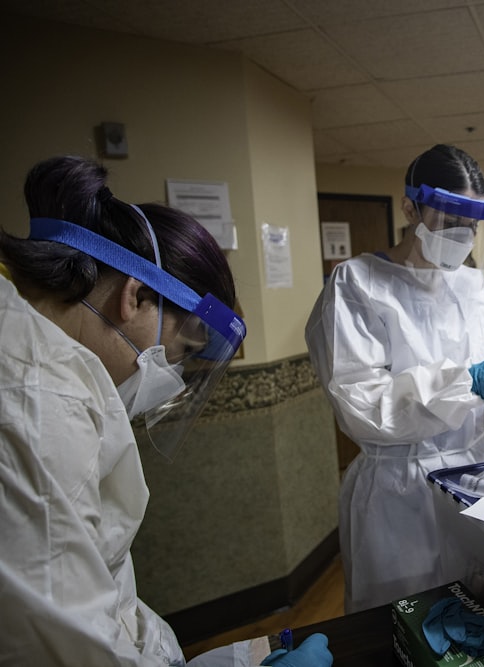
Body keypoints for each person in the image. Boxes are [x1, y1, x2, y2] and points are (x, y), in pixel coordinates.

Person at [0, 156, 331, 667]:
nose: (171, 372)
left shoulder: (37, 356)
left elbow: (99, 604)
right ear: (134, 297)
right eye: (180, 351)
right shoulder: (43, 408)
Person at [305, 144, 484, 613]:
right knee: (405, 623)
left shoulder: (474, 289)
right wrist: (472, 382)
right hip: (400, 491)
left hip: (481, 480)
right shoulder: (357, 284)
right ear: (410, 207)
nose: (462, 236)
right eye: (449, 221)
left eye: (471, 225)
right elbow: (363, 407)